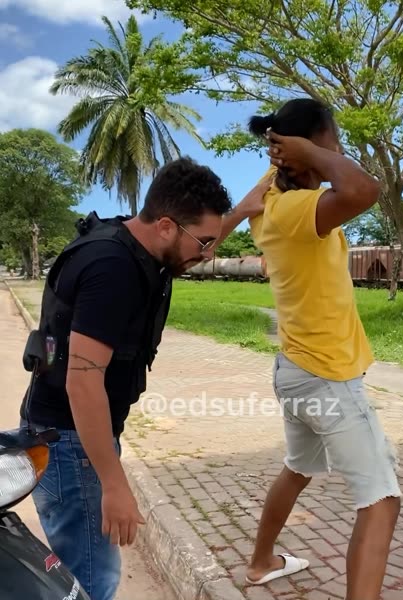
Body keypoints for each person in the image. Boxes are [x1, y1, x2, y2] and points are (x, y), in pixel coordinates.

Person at [19, 156, 270, 600]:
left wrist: (243, 209)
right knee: (91, 580)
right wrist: (114, 483)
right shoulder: (112, 269)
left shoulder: (137, 240)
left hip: (68, 437)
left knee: (84, 572)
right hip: (72, 445)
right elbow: (83, 381)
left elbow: (195, 239)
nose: (208, 253)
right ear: (167, 226)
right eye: (204, 242)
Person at [242, 99, 401, 600]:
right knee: (381, 500)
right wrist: (310, 152)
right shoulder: (295, 211)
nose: (340, 152)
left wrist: (298, 154)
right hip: (327, 377)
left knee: (299, 468)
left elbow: (338, 184)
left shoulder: (274, 201)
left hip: (296, 370)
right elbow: (364, 189)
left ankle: (262, 562)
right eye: (334, 143)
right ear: (307, 148)